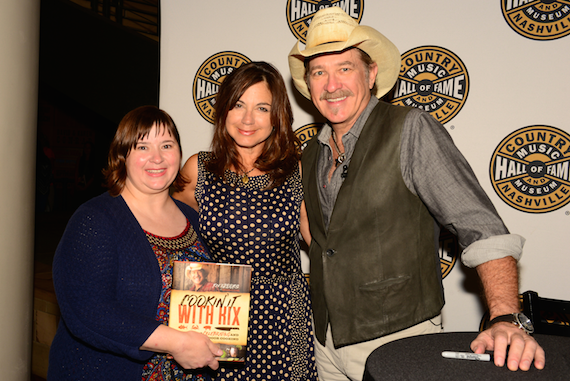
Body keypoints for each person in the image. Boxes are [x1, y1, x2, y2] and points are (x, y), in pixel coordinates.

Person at [287, 7, 545, 380]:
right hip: (325, 342)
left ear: (371, 73)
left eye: (345, 68)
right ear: (308, 84)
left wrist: (505, 317)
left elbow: (481, 227)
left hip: (396, 337)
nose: (331, 84)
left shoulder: (410, 129)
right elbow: (323, 241)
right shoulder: (311, 152)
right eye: (319, 72)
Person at [48, 105, 222, 381]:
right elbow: (89, 310)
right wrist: (176, 342)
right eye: (142, 147)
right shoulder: (95, 219)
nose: (157, 158)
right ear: (122, 156)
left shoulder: (192, 218)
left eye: (167, 145)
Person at [173, 61, 317, 381]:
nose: (248, 119)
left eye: (262, 108)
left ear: (277, 117)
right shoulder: (200, 169)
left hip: (282, 316)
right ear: (224, 110)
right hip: (216, 313)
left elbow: (321, 243)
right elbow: (165, 225)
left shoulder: (297, 170)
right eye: (239, 105)